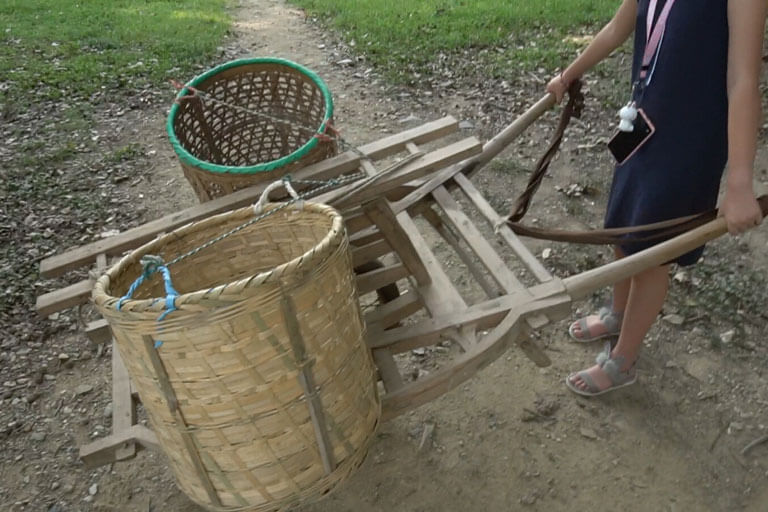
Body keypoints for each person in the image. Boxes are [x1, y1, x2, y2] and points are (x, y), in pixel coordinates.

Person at [546, 0, 766, 396]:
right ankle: (617, 312)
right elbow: (619, 26)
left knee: (651, 250)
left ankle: (624, 358)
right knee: (621, 225)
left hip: (689, 139)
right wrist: (568, 75)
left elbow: (743, 80)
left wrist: (739, 182)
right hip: (641, 121)